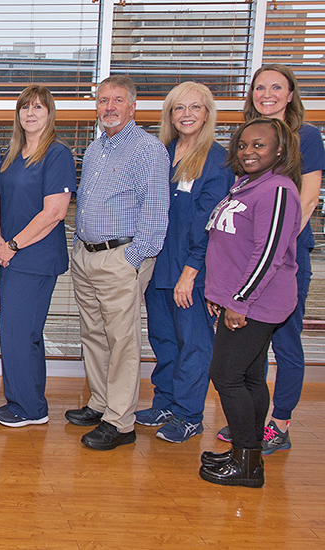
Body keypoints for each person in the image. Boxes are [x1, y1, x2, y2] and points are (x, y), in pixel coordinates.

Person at [216, 65, 325, 454]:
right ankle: (250, 423)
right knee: (251, 350)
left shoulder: (306, 137)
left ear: (291, 94)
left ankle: (280, 423)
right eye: (260, 87)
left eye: (277, 87)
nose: (267, 93)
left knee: (287, 340)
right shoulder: (249, 142)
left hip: (284, 256)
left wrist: (272, 250)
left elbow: (308, 199)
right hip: (250, 261)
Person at [66, 75, 170, 450]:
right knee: (94, 334)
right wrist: (79, 246)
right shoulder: (96, 149)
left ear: (132, 107)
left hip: (120, 259)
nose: (108, 107)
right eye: (102, 100)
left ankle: (121, 422)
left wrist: (133, 259)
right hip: (86, 255)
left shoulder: (148, 149)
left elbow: (156, 214)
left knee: (122, 340)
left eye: (117, 100)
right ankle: (100, 402)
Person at [199, 117, 303, 488]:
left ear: (279, 150)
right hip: (238, 300)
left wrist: (239, 302)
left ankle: (246, 462)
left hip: (256, 304)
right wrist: (218, 294)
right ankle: (248, 454)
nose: (248, 151)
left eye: (259, 145)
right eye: (243, 145)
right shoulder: (246, 185)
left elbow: (268, 254)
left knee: (225, 376)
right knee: (250, 377)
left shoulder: (278, 190)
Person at [134, 82, 234, 443]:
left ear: (207, 113)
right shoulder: (163, 153)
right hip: (158, 265)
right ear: (170, 115)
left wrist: (190, 274)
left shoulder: (218, 161)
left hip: (192, 271)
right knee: (163, 339)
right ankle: (165, 402)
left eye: (194, 107)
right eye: (179, 108)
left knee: (194, 343)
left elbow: (211, 224)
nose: (186, 114)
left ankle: (190, 414)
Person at [0, 85, 74, 427]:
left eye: (38, 107)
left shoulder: (57, 155)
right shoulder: (12, 154)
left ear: (49, 113)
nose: (30, 113)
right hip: (9, 255)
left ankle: (28, 408)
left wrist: (11, 246)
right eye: (25, 107)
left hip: (35, 258)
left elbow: (54, 212)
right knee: (23, 333)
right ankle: (29, 401)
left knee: (16, 332)